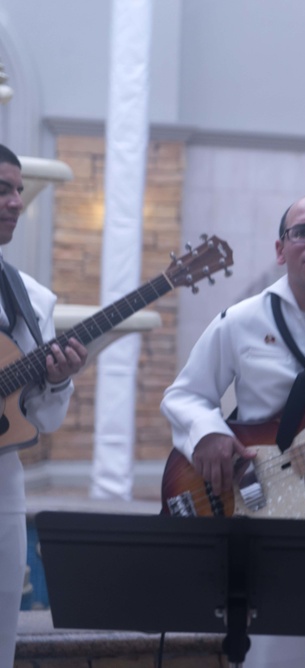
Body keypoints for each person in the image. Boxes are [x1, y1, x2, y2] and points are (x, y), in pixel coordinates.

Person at [161, 194, 305, 668]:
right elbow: (184, 396)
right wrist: (207, 434)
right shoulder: (241, 322)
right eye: (301, 231)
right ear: (279, 248)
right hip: (264, 531)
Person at [0, 144, 88, 667]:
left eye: (17, 190)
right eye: (2, 189)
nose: (15, 201)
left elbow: (45, 418)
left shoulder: (28, 298)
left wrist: (57, 381)